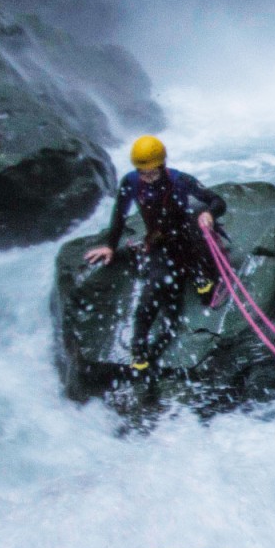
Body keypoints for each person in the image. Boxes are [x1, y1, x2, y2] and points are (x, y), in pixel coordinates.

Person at [84, 135, 229, 372]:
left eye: (151, 172)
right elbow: (119, 216)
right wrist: (110, 245)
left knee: (203, 287)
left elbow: (217, 201)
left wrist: (210, 214)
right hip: (160, 243)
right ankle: (139, 349)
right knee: (153, 290)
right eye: (142, 172)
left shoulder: (180, 179)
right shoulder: (131, 182)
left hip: (189, 238)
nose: (147, 178)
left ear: (161, 165)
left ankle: (200, 278)